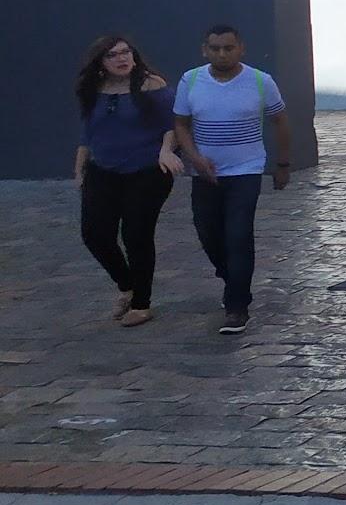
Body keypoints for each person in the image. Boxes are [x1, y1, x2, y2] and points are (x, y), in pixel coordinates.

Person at [171, 24, 292, 335]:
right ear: (204, 50)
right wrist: (194, 157)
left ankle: (237, 307)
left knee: (238, 234)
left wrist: (282, 163)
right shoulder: (192, 80)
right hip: (206, 172)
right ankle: (233, 281)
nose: (221, 54)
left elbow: (280, 120)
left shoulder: (260, 82)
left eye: (228, 48)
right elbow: (181, 124)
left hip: (246, 170)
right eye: (215, 48)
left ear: (241, 49)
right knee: (208, 232)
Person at [73, 35, 185, 327]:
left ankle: (142, 303)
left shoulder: (152, 85)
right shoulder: (94, 89)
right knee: (94, 234)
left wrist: (165, 151)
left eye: (126, 53)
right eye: (113, 55)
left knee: (136, 233)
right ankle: (126, 284)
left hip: (148, 170)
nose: (122, 59)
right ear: (101, 63)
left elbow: (172, 124)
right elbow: (89, 132)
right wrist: (80, 168)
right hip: (103, 170)